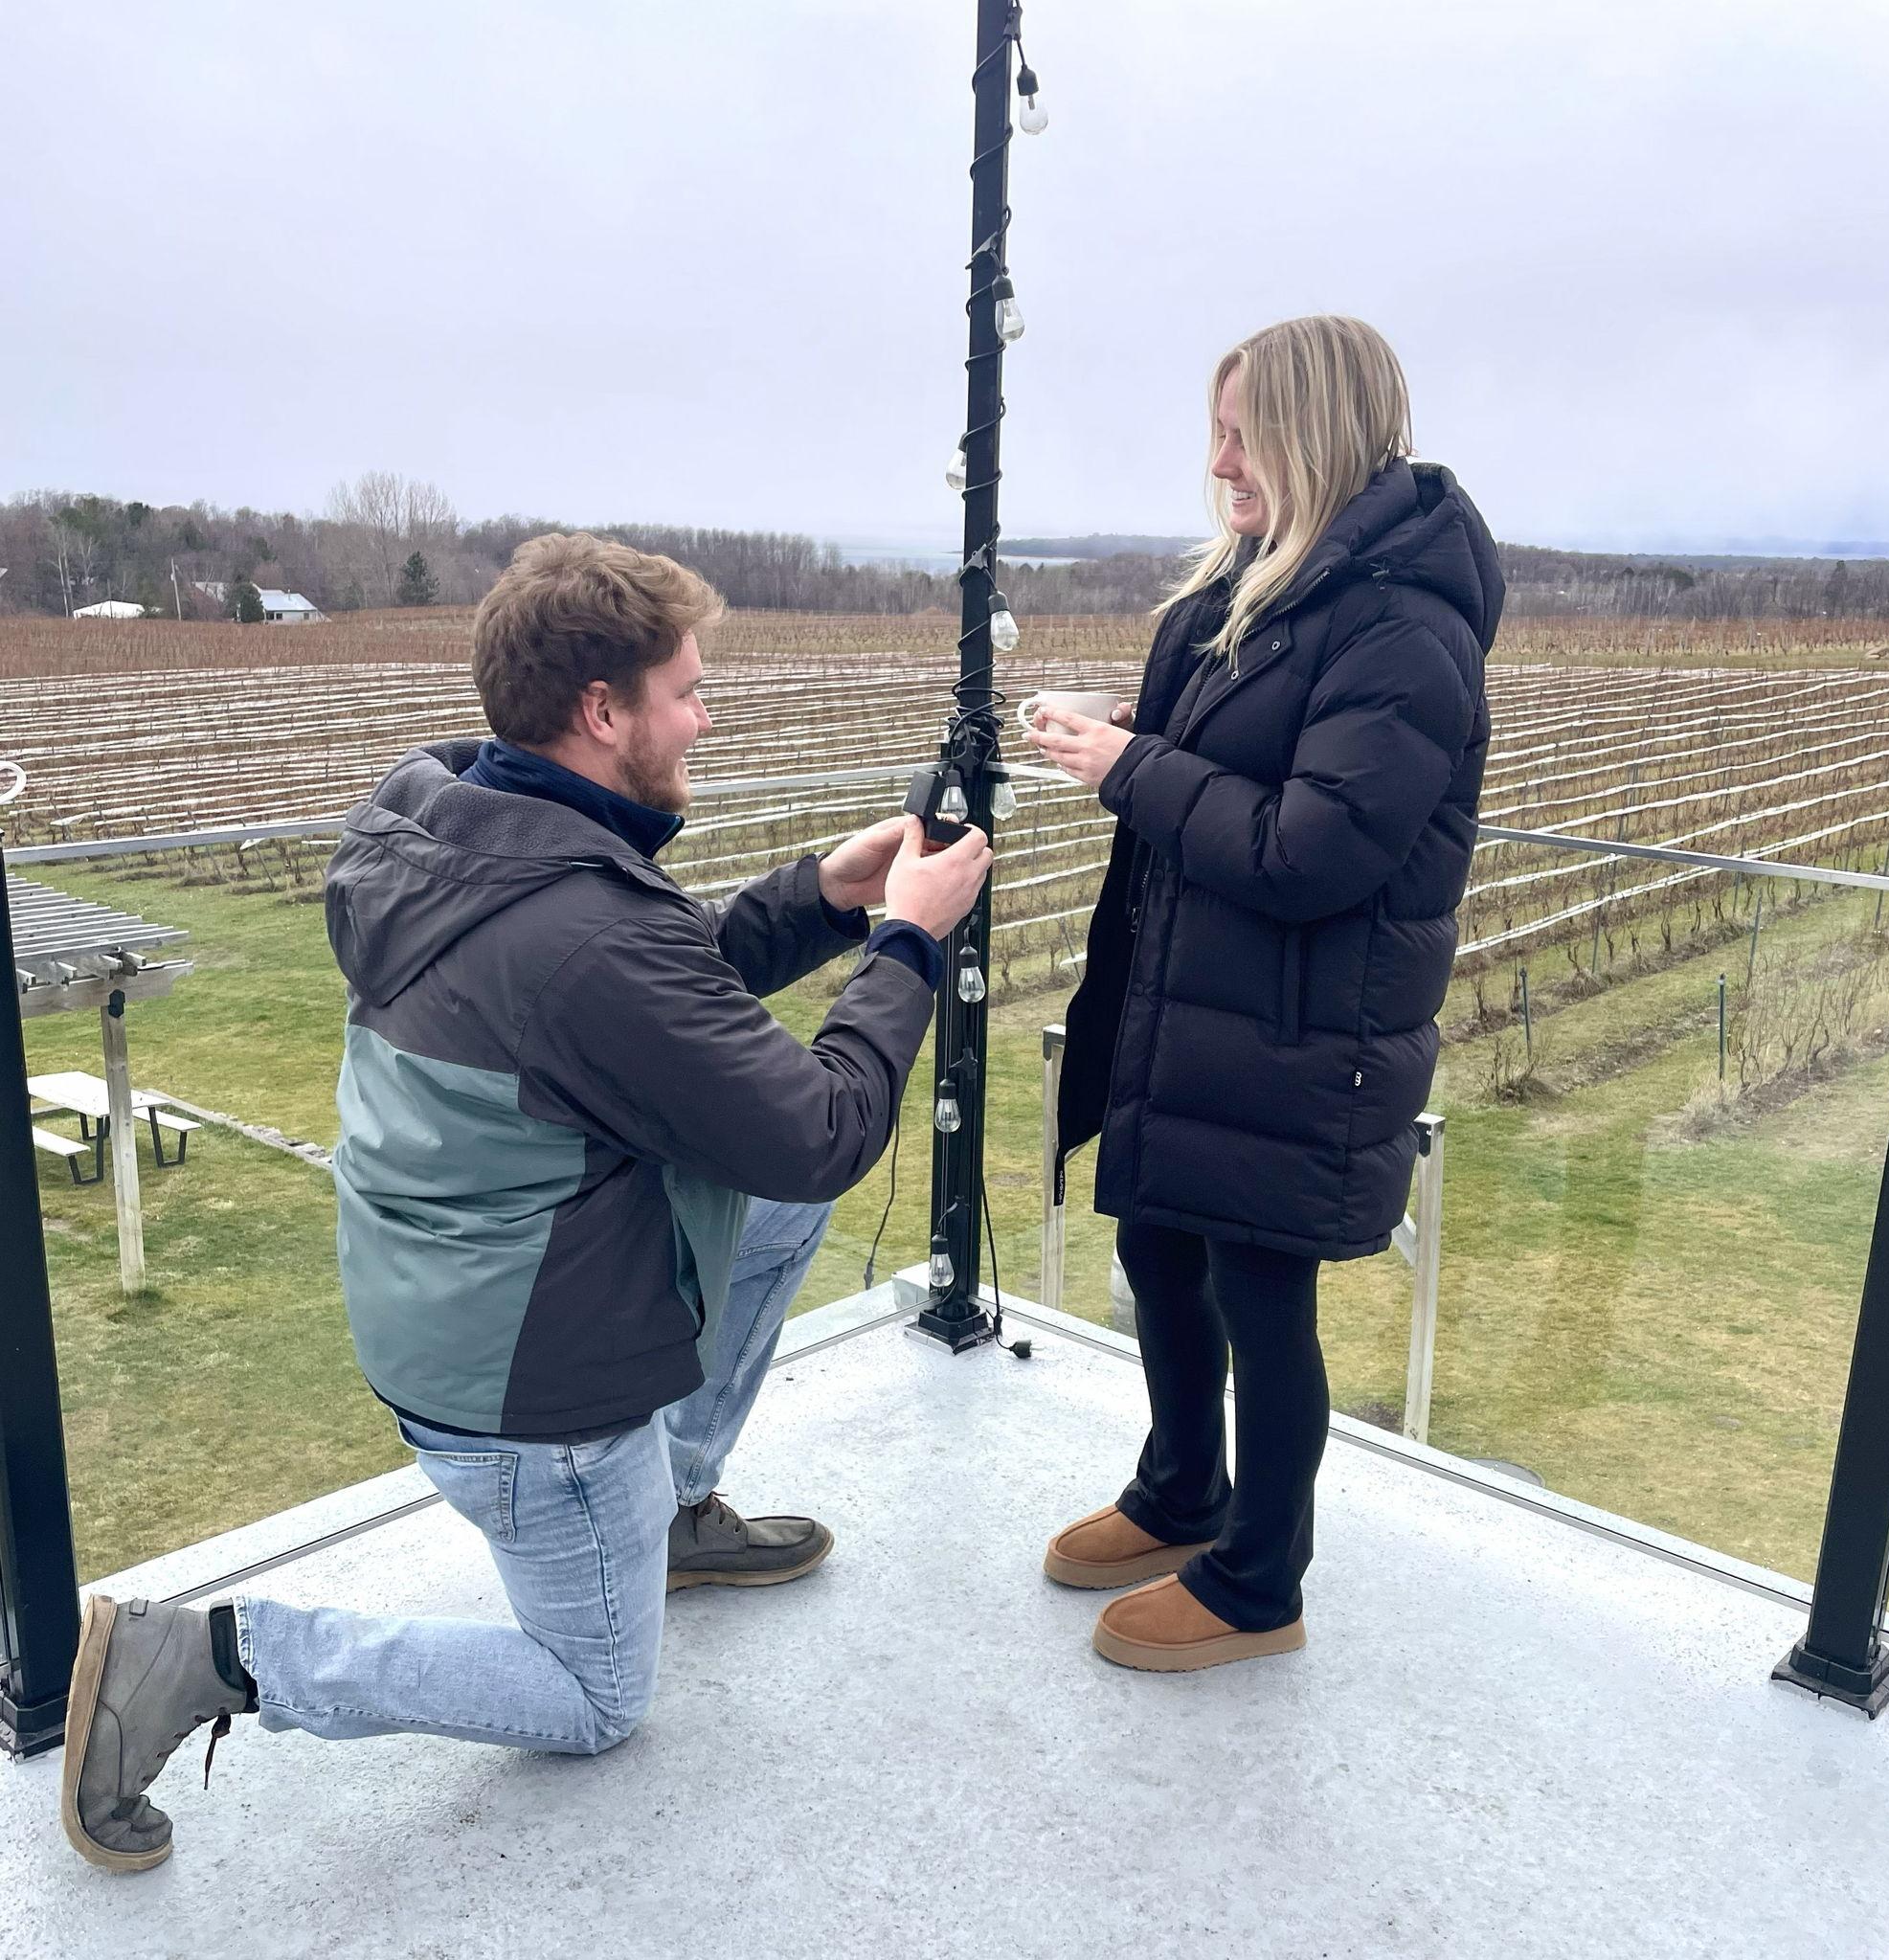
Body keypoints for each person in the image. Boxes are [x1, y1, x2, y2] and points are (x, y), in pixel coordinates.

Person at [61, 532, 992, 1870]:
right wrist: (909, 942)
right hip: (524, 1386)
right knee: (597, 1697)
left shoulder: (468, 822)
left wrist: (828, 900)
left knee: (766, 1210)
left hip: (452, 1289)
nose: (705, 714)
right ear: (603, 713)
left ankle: (663, 1508)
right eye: (684, 689)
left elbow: (656, 1004)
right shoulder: (575, 923)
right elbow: (819, 1131)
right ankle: (206, 1657)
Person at [1025, 315, 1499, 1673]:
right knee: (1159, 1251)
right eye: (1217, 430)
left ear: (1316, 432)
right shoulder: (1257, 591)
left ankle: (1257, 1582)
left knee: (1257, 1296)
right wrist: (1116, 738)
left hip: (1301, 1030)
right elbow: (1211, 773)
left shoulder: (1404, 630)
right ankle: (1183, 1492)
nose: (1219, 461)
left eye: (1245, 433)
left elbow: (1312, 850)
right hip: (1199, 1011)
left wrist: (1129, 766)